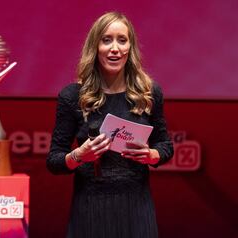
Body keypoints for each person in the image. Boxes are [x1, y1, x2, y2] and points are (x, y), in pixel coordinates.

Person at [47, 11, 174, 238]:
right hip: (90, 209)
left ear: (130, 48)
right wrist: (78, 156)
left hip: (137, 209)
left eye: (122, 40)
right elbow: (54, 160)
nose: (114, 48)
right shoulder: (72, 96)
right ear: (95, 47)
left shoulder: (149, 93)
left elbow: (165, 145)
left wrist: (151, 155)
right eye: (106, 40)